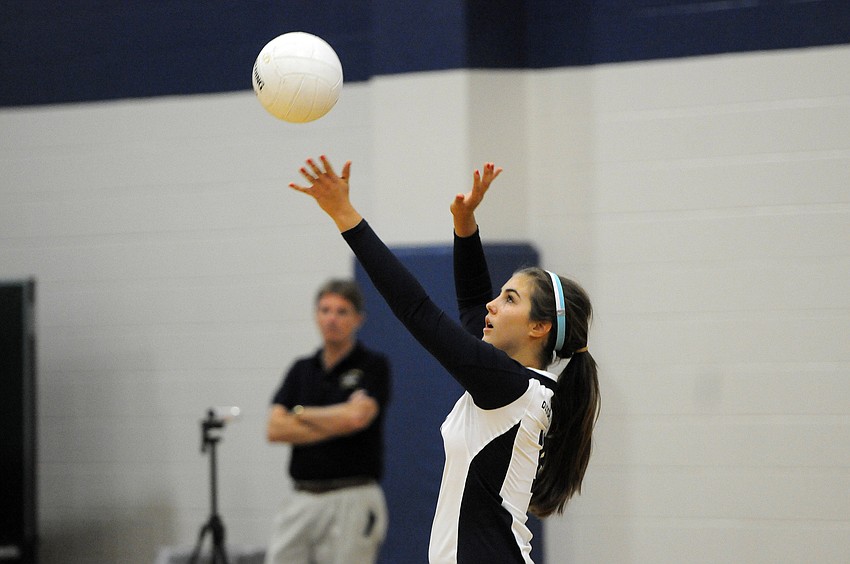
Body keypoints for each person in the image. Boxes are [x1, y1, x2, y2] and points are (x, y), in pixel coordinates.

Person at [288, 156, 600, 564]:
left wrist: (345, 215)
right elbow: (473, 304)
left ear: (539, 327)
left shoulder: (511, 386)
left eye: (510, 299)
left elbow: (416, 309)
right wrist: (465, 224)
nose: (493, 304)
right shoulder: (519, 384)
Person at [265, 279, 391, 564]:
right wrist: (338, 418)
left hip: (352, 495)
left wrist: (301, 414)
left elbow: (357, 418)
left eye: (341, 311)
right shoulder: (301, 370)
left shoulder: (373, 366)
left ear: (358, 319)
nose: (332, 319)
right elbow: (274, 429)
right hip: (302, 496)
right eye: (325, 310)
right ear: (316, 315)